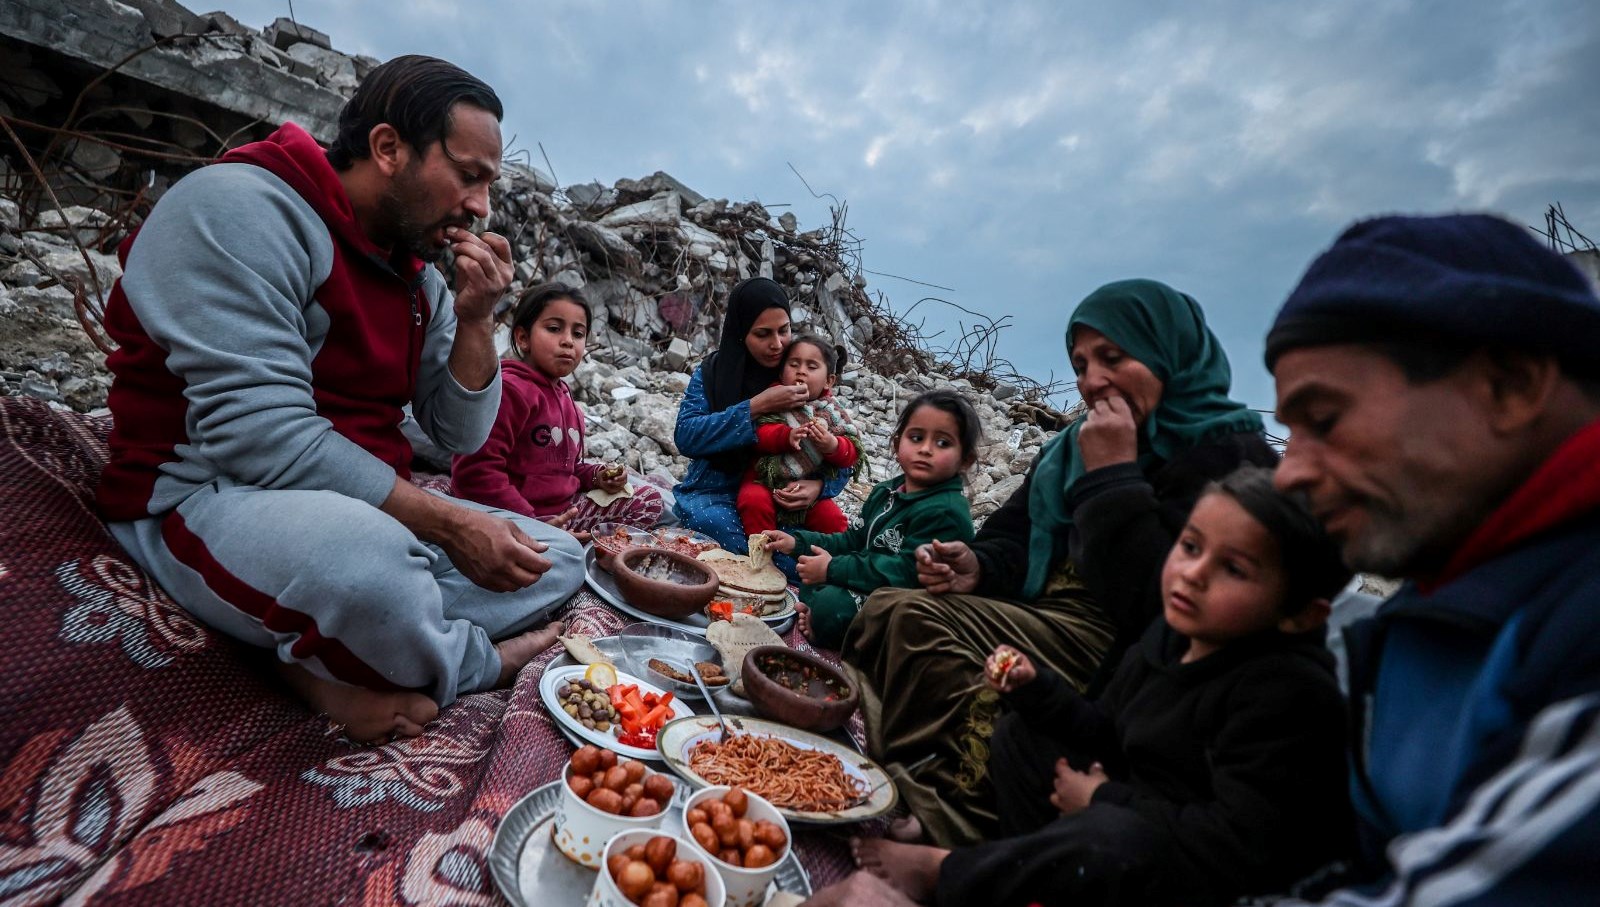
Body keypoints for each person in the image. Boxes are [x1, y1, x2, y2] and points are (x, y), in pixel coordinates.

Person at [95, 56, 585, 744]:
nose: (481, 206)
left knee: (557, 557)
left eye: (488, 185)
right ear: (388, 148)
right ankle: (464, 661)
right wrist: (446, 525)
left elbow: (457, 435)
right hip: (206, 493)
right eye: (469, 175)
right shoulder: (239, 207)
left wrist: (477, 319)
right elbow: (264, 438)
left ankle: (342, 645)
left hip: (359, 506)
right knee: (372, 575)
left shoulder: (421, 283)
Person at [843, 278, 1278, 847]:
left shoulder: (1232, 460)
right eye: (1080, 363)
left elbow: (1157, 603)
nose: (1092, 381)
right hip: (1044, 607)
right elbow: (1014, 532)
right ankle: (901, 765)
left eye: (1113, 358)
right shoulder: (1075, 446)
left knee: (928, 630)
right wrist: (976, 564)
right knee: (891, 606)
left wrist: (1114, 476)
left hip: (1122, 643)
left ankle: (952, 816)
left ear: (1169, 354)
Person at [1263, 213, 1600, 904]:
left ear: (1508, 386)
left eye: (1323, 420)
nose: (1287, 474)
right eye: (1288, 433)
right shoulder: (1425, 614)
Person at [852, 465, 1353, 906]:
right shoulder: (1171, 636)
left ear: (1301, 615)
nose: (1193, 574)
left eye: (1234, 570)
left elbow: (1235, 847)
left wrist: (1104, 800)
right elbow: (1104, 728)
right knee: (1022, 737)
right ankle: (1029, 876)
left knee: (1110, 835)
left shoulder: (1289, 694)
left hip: (1184, 861)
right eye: (1191, 546)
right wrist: (1035, 689)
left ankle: (946, 872)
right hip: (1123, 810)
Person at [764, 389, 981, 648]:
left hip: (905, 604)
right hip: (870, 583)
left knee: (830, 604)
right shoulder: (886, 491)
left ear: (965, 460)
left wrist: (832, 569)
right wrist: (797, 543)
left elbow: (906, 574)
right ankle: (822, 618)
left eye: (943, 443)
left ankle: (828, 624)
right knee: (811, 579)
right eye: (916, 437)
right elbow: (852, 540)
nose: (925, 449)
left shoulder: (945, 512)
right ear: (897, 443)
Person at [451, 282, 665, 538]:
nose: (567, 342)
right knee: (647, 501)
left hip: (564, 511)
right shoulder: (511, 391)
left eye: (578, 334)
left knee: (653, 494)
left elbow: (566, 468)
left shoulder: (566, 399)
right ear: (523, 338)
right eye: (554, 329)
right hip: (519, 518)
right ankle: (566, 548)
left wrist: (597, 477)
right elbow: (476, 471)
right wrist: (532, 526)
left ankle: (577, 545)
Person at [672, 277, 852, 577]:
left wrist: (819, 487)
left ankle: (799, 570)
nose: (777, 344)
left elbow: (841, 449)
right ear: (741, 334)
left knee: (827, 532)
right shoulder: (713, 374)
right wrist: (756, 406)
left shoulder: (801, 371)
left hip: (786, 498)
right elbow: (687, 436)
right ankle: (794, 574)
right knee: (720, 528)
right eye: (763, 334)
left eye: (784, 331)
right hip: (717, 492)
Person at [737, 334, 861, 537]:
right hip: (765, 480)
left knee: (832, 519)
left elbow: (853, 452)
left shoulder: (831, 411)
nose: (801, 371)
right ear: (782, 370)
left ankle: (837, 561)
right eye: (794, 364)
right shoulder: (774, 397)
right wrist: (786, 436)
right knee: (752, 500)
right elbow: (758, 433)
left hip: (808, 488)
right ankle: (761, 553)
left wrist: (832, 445)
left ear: (829, 381)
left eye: (811, 367)